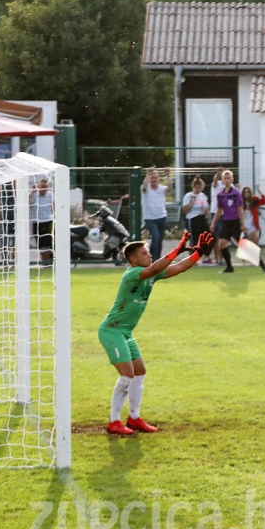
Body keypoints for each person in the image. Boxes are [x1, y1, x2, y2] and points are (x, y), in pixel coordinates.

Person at [98, 230, 214, 435]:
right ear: (133, 259)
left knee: (139, 372)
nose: (149, 255)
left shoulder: (151, 274)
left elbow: (179, 268)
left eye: (148, 252)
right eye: (144, 253)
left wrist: (198, 253)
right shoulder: (132, 274)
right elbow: (155, 268)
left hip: (125, 332)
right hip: (112, 330)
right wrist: (177, 249)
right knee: (127, 375)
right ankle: (114, 422)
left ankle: (134, 418)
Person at [209, 169, 245, 274]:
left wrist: (242, 222)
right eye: (225, 178)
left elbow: (239, 208)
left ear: (232, 179)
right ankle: (227, 266)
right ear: (222, 179)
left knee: (242, 243)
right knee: (221, 242)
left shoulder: (235, 192)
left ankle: (261, 262)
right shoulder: (219, 192)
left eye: (229, 178)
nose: (227, 180)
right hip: (224, 220)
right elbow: (219, 210)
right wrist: (213, 223)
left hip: (234, 221)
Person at [141, 167, 170, 262]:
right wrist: (148, 173)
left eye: (155, 177)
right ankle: (152, 259)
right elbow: (144, 186)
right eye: (152, 178)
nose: (154, 179)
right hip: (150, 218)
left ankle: (158, 259)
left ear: (158, 179)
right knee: (156, 237)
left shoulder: (162, 188)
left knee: (160, 239)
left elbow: (170, 187)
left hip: (162, 216)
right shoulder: (146, 188)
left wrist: (167, 174)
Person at [181, 176, 212, 262]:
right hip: (192, 218)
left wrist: (205, 210)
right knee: (194, 238)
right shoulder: (188, 196)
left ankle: (206, 257)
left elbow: (206, 210)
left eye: (200, 187)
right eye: (196, 187)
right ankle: (192, 259)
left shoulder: (203, 196)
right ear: (193, 187)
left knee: (209, 237)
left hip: (201, 218)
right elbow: (184, 210)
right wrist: (192, 202)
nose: (198, 189)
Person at [240, 186, 265, 272]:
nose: (246, 194)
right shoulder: (241, 202)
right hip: (244, 224)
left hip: (252, 225)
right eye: (245, 192)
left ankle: (256, 259)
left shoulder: (254, 200)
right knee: (247, 243)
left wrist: (259, 190)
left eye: (248, 192)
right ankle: (252, 259)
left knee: (255, 241)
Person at [30, 179, 54, 266]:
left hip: (48, 221)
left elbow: (53, 206)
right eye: (42, 186)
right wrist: (32, 192)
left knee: (50, 243)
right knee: (41, 245)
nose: (44, 189)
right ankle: (45, 263)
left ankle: (51, 262)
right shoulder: (33, 195)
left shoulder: (50, 194)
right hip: (37, 223)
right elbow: (27, 203)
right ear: (38, 186)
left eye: (46, 187)